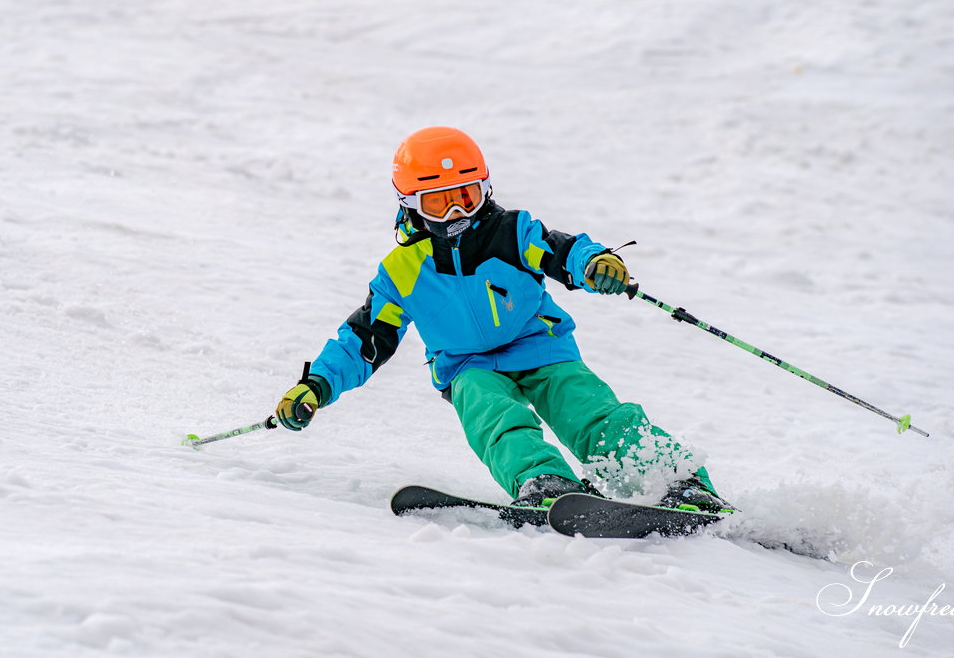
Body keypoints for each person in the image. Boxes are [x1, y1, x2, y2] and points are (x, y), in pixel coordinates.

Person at [274, 126, 730, 512]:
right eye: (439, 202)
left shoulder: (512, 232)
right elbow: (364, 339)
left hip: (541, 347)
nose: (457, 212)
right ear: (410, 203)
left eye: (467, 196)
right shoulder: (402, 271)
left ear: (485, 189)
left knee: (592, 413)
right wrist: (316, 385)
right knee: (494, 415)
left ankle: (676, 480)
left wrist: (595, 264)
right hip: (467, 365)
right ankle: (545, 484)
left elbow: (562, 250)